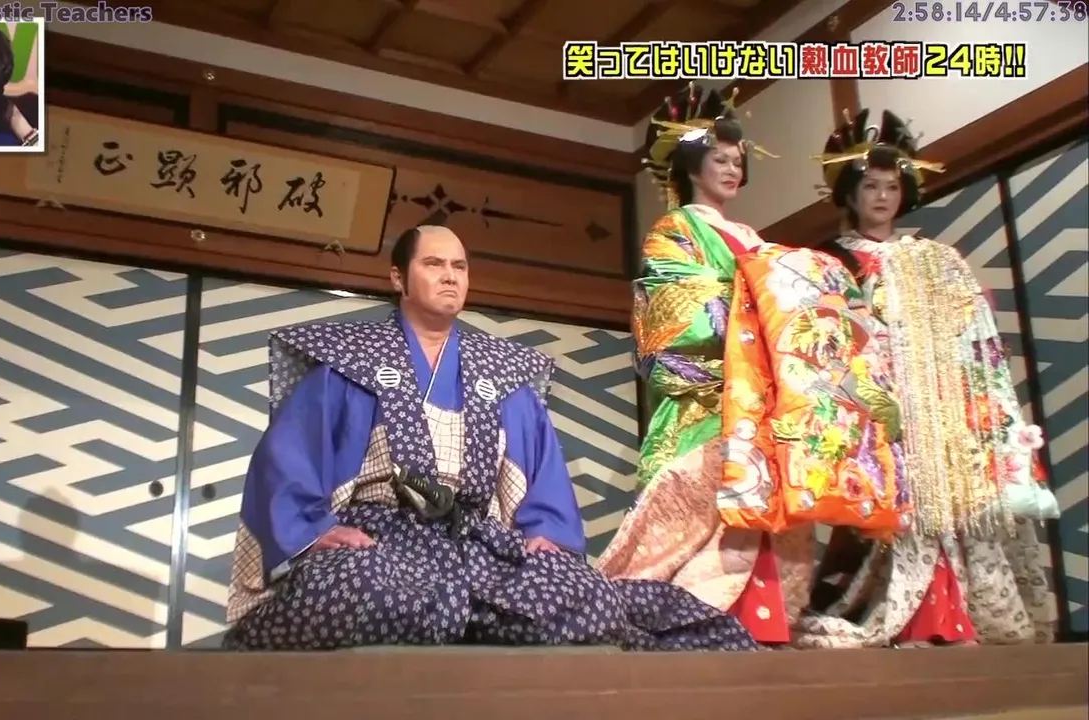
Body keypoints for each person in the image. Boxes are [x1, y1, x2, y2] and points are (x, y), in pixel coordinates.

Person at [220, 225, 758, 651]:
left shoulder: (499, 372)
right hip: (381, 542)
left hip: (477, 543)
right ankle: (465, 622)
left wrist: (544, 532)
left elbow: (542, 469)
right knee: (356, 591)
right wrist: (315, 531)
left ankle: (470, 617)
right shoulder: (350, 361)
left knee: (584, 598)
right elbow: (285, 461)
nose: (449, 276)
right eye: (433, 264)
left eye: (459, 266)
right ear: (398, 277)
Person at [594, 84, 908, 646]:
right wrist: (754, 310)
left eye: (738, 161)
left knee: (773, 493)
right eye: (719, 159)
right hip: (712, 393)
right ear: (691, 165)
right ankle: (688, 609)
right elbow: (674, 311)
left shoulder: (753, 240)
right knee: (705, 501)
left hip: (760, 390)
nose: (732, 169)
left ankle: (770, 614)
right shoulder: (675, 231)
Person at [794, 109, 1059, 648]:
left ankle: (955, 612)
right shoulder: (831, 261)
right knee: (892, 506)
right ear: (849, 193)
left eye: (892, 186)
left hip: (938, 402)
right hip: (877, 402)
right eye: (870, 186)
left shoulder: (937, 258)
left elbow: (971, 334)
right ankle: (907, 613)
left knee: (952, 502)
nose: (882, 196)